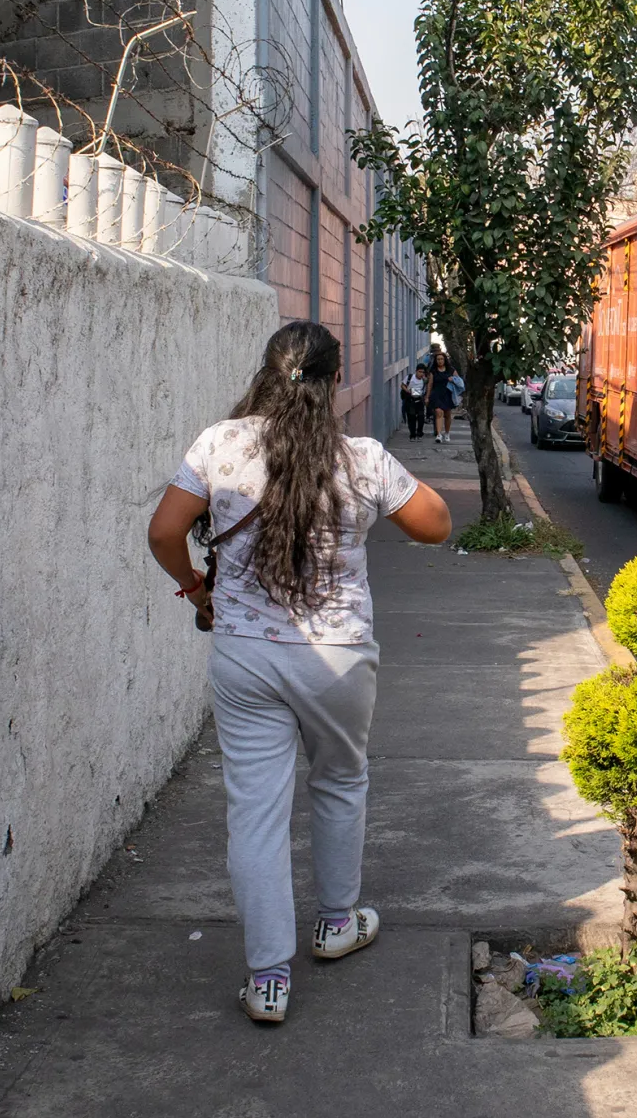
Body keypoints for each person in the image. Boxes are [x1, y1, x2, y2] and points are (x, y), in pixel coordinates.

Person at [148, 322, 453, 1024]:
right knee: (340, 780)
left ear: (266, 372)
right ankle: (338, 923)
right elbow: (434, 524)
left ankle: (268, 981)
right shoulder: (363, 460)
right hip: (339, 658)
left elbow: (165, 532)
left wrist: (199, 591)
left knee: (255, 811)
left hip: (245, 657)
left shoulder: (219, 445)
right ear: (334, 383)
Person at [428, 350, 458, 442]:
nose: (440, 361)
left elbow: (458, 381)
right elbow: (430, 384)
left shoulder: (451, 370)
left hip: (448, 394)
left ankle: (447, 433)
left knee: (447, 414)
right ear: (436, 361)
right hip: (436, 394)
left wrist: (452, 379)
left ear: (445, 360)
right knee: (438, 412)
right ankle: (439, 434)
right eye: (438, 359)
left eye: (441, 359)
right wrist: (427, 397)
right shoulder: (433, 371)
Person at [401, 364, 429, 439]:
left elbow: (426, 389)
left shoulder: (424, 380)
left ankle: (419, 432)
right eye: (420, 372)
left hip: (419, 400)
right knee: (411, 417)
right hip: (411, 400)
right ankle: (412, 434)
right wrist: (407, 391)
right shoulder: (410, 377)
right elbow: (403, 385)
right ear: (416, 371)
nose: (421, 374)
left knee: (421, 417)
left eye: (423, 372)